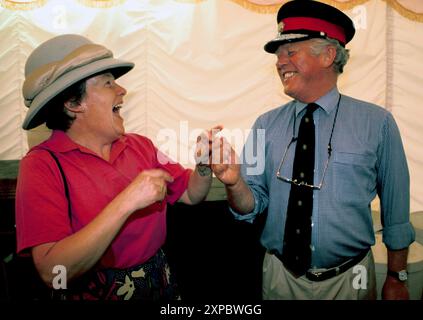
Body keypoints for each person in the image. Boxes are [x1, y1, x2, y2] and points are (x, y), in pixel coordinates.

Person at [211, 0, 415, 300]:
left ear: (328, 55)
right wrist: (235, 183)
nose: (280, 61)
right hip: (280, 279)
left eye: (290, 51)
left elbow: (396, 213)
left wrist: (398, 277)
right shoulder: (264, 125)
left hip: (350, 281)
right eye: (278, 54)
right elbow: (249, 208)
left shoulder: (377, 123)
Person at [15, 34, 215, 300]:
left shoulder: (141, 145)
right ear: (74, 103)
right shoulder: (41, 165)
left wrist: (204, 165)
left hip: (159, 283)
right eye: (109, 83)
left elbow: (191, 194)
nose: (122, 90)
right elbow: (55, 274)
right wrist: (127, 202)